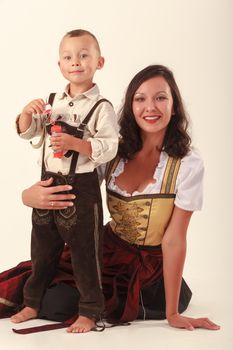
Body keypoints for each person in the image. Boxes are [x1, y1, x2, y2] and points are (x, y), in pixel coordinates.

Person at [0, 65, 220, 332]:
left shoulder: (187, 162)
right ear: (131, 106)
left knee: (58, 302)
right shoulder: (114, 150)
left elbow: (174, 240)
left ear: (174, 106)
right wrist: (29, 196)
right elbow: (74, 186)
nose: (150, 107)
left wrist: (172, 313)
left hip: (147, 267)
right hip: (105, 248)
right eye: (140, 99)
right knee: (36, 277)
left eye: (161, 97)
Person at [11, 29, 119, 333]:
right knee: (42, 249)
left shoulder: (102, 107)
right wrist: (24, 114)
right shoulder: (50, 102)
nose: (76, 62)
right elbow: (29, 133)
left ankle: (90, 310)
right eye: (68, 57)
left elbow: (109, 147)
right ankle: (32, 302)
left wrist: (77, 144)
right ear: (59, 65)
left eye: (85, 55)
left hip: (81, 189)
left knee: (86, 253)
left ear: (99, 62)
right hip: (47, 185)